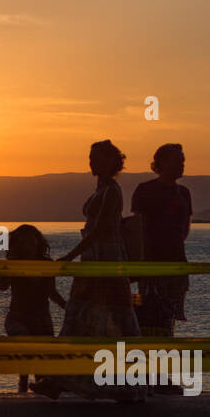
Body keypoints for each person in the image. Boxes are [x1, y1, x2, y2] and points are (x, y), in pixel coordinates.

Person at [33, 140, 143, 402]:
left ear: (112, 161)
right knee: (79, 318)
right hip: (94, 259)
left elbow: (101, 230)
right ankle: (61, 379)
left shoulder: (112, 191)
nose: (92, 163)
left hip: (104, 261)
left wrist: (70, 256)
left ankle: (125, 384)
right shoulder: (103, 189)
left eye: (97, 158)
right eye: (90, 158)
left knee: (112, 321)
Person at [130, 143, 192, 339]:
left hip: (177, 261)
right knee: (150, 314)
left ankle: (165, 354)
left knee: (170, 315)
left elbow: (184, 228)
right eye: (177, 161)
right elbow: (138, 228)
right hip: (151, 263)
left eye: (182, 160)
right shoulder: (145, 190)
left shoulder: (184, 193)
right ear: (162, 163)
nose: (182, 165)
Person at [0, 224, 66, 393]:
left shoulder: (46, 263)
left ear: (37, 242)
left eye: (30, 240)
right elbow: (2, 285)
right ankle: (23, 385)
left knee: (41, 359)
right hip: (17, 316)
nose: (27, 244)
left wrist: (67, 307)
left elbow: (51, 291)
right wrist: (10, 264)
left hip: (40, 317)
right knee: (26, 343)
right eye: (22, 241)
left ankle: (38, 387)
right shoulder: (15, 262)